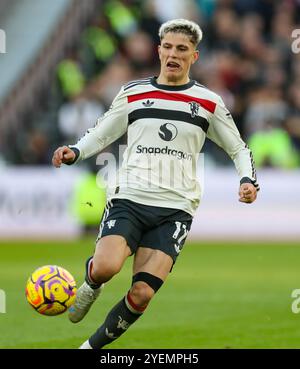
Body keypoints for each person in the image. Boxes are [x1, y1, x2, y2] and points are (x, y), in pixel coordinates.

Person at [52, 19, 259, 349]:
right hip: (130, 197)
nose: (173, 54)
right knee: (106, 267)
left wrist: (248, 180)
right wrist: (75, 151)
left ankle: (89, 347)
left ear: (194, 56)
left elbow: (238, 147)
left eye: (182, 49)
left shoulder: (208, 102)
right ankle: (92, 283)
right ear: (158, 50)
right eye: (168, 47)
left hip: (175, 208)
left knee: (142, 292)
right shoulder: (134, 93)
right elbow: (104, 131)